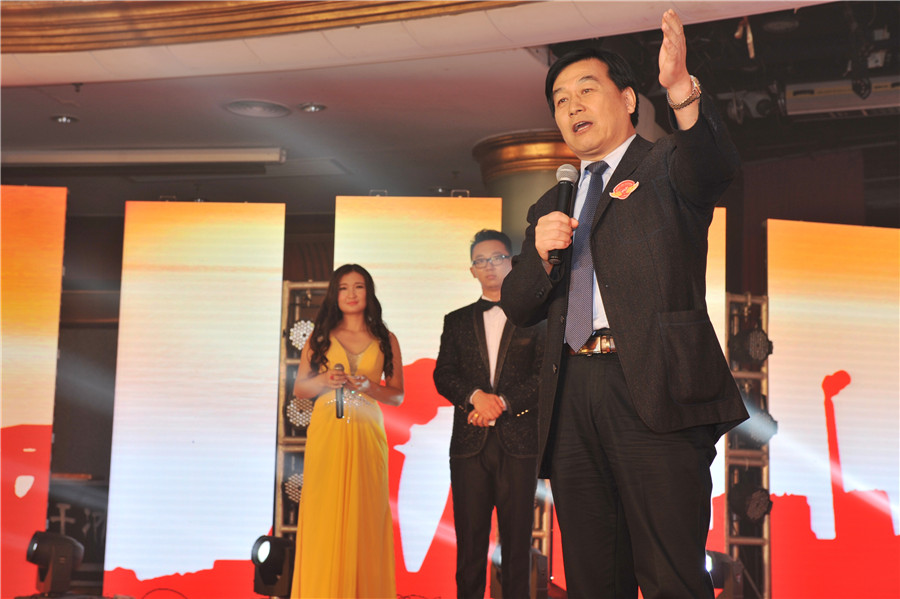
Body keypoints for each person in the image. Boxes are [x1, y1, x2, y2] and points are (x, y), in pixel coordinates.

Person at [499, 10, 749, 599]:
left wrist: (682, 89)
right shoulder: (552, 204)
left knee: (670, 574)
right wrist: (540, 256)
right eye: (560, 101)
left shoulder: (664, 165)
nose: (572, 107)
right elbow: (519, 305)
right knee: (592, 579)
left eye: (586, 90)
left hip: (654, 387)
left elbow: (713, 166)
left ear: (628, 99)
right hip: (571, 392)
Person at [434, 229, 545, 599]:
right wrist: (475, 397)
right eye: (481, 261)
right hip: (469, 446)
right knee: (469, 543)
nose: (489, 266)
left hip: (520, 443)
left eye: (496, 258)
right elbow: (443, 374)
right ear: (472, 270)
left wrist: (503, 403)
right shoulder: (456, 321)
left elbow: (543, 376)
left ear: (512, 262)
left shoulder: (536, 319)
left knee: (517, 545)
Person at [290, 264, 404, 599]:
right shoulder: (319, 337)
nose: (351, 294)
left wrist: (370, 387)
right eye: (343, 288)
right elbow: (300, 389)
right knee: (324, 513)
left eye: (358, 287)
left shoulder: (386, 339)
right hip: (328, 431)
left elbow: (397, 395)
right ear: (334, 294)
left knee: (367, 515)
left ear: (369, 292)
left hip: (368, 433)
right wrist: (324, 380)